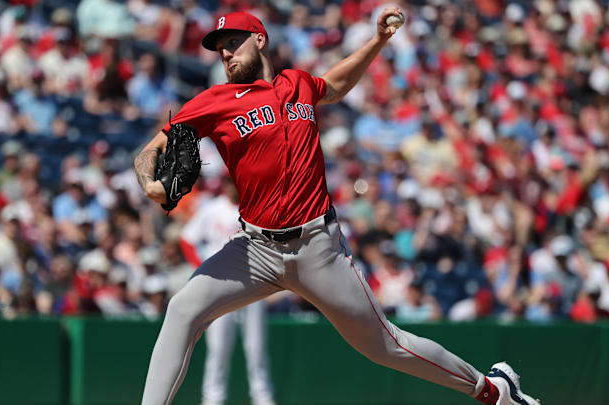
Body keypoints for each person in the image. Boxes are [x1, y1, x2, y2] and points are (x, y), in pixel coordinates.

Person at [134, 9, 539, 405]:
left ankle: (492, 390)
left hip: (317, 248)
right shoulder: (216, 100)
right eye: (219, 47)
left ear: (260, 40)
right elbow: (149, 152)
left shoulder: (298, 84)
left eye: (233, 42)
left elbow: (336, 84)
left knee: (386, 345)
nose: (225, 52)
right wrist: (151, 184)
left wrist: (378, 40)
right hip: (254, 249)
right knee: (183, 309)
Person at [179, 179, 276, 405]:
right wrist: (203, 268)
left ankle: (262, 397)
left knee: (257, 347)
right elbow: (187, 239)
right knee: (218, 348)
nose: (233, 186)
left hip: (254, 282)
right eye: (230, 181)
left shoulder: (256, 208)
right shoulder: (212, 208)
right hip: (220, 285)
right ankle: (213, 400)